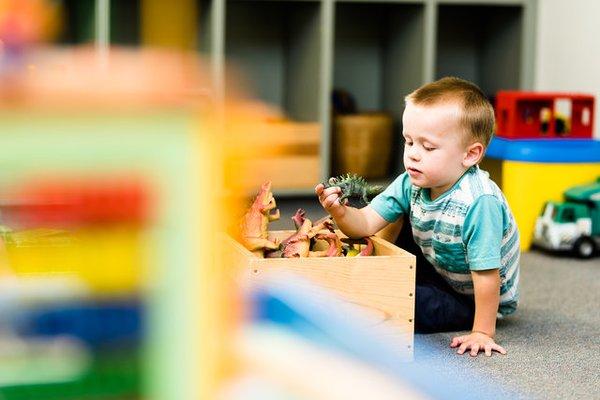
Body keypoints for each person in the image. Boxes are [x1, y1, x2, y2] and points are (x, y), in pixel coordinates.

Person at [316, 77, 520, 357]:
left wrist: (482, 332)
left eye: (428, 147)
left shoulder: (479, 203)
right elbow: (364, 223)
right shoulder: (410, 181)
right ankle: (371, 286)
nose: (412, 155)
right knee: (395, 223)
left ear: (470, 154)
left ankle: (359, 304)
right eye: (409, 142)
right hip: (441, 262)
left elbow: (486, 277)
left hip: (471, 295)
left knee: (405, 306)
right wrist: (339, 212)